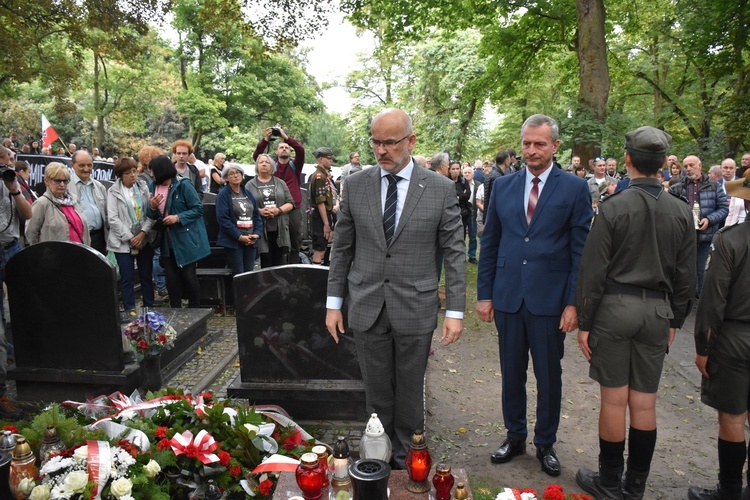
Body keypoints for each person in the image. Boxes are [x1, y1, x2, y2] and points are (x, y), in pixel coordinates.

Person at [325, 108, 466, 469]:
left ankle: (408, 461)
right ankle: (377, 457)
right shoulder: (356, 185)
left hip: (415, 305)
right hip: (367, 302)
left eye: (390, 142)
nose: (381, 150)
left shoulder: (440, 189)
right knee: (376, 390)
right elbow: (341, 249)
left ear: (411, 141)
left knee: (409, 391)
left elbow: (454, 252)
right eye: (375, 142)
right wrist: (333, 304)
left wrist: (454, 311)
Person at [574, 126, 697, 499]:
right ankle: (635, 486)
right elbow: (687, 274)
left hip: (614, 308)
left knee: (614, 399)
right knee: (644, 401)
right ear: (663, 164)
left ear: (627, 160)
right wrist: (674, 318)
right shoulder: (680, 211)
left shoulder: (613, 208)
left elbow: (593, 270)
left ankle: (609, 481)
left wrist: (584, 321)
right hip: (657, 311)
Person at [476, 114, 592, 477]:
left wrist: (573, 302)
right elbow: (490, 241)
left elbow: (580, 252)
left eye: (540, 144)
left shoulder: (574, 188)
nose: (531, 150)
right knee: (512, 373)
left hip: (550, 301)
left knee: (548, 375)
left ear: (555, 146)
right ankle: (515, 436)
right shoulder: (505, 186)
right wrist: (484, 294)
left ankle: (545, 443)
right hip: (508, 296)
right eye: (526, 143)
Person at [688, 177, 750, 500]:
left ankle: (729, 491)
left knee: (732, 416)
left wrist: (703, 347)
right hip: (737, 334)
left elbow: (713, 300)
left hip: (735, 338)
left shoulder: (730, 240)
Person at [147, 155, 210, 308]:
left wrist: (178, 218)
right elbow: (151, 216)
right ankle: (175, 309)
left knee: (188, 276)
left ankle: (195, 310)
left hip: (185, 238)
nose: (151, 175)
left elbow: (198, 209)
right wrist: (153, 208)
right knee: (171, 277)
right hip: (166, 240)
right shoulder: (152, 186)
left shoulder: (183, 185)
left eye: (153, 171)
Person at [669, 155, 728, 297]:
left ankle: (701, 301)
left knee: (702, 270)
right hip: (683, 237)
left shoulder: (715, 186)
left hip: (705, 237)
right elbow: (669, 211)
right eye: (686, 166)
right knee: (682, 270)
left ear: (700, 166)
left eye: (691, 165)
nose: (688, 169)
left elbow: (724, 209)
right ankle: (682, 299)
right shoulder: (676, 188)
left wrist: (709, 219)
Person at [106, 158, 156, 318]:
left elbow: (150, 213)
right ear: (121, 175)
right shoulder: (113, 191)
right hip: (122, 241)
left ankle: (150, 307)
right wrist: (130, 238)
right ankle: (130, 309)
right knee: (127, 277)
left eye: (134, 171)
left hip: (143, 238)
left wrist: (142, 234)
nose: (133, 175)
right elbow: (113, 218)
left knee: (146, 275)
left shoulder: (143, 188)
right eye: (128, 173)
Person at [253, 127, 305, 263]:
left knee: (295, 240)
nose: (284, 149)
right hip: (272, 209)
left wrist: (284, 136)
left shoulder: (296, 165)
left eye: (286, 147)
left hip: (293, 207)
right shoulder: (272, 167)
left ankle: (293, 268)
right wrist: (266, 139)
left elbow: (300, 150)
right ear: (276, 151)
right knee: (275, 242)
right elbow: (257, 156)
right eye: (281, 147)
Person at [246, 154, 294, 268]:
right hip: (261, 228)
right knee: (265, 259)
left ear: (272, 166)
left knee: (279, 261)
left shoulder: (280, 183)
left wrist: (278, 210)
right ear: (257, 166)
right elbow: (246, 206)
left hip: (279, 227)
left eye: (266, 162)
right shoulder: (250, 185)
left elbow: (290, 203)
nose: (263, 164)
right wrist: (259, 212)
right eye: (261, 162)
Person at [27, 162, 89, 245]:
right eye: (57, 181)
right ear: (46, 181)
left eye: (65, 181)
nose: (62, 184)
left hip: (80, 253)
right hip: (54, 255)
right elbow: (31, 234)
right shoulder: (41, 203)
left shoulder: (73, 200)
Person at [216, 164, 262, 275]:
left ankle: (248, 293)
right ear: (226, 178)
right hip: (234, 241)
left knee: (249, 274)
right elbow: (223, 219)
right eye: (231, 173)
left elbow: (256, 214)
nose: (236, 176)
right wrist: (240, 237)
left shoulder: (247, 193)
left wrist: (257, 234)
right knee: (239, 274)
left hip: (250, 240)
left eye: (238, 173)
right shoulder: (223, 195)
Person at [137, 145, 167, 298]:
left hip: (162, 220)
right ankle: (161, 285)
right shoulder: (143, 178)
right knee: (156, 253)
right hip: (150, 220)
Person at [67, 151, 108, 255]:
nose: (86, 169)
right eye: (81, 165)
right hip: (77, 239)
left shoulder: (99, 186)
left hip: (99, 239)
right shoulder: (65, 187)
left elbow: (107, 213)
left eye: (89, 165)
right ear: (72, 165)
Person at [309, 147, 336, 265]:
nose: (331, 161)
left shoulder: (324, 175)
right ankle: (315, 277)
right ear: (320, 159)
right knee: (320, 248)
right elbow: (320, 202)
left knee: (325, 246)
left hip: (326, 214)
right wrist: (326, 224)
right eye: (328, 158)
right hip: (321, 215)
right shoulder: (319, 176)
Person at [463, 165, 479, 264]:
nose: (467, 174)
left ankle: (472, 256)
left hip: (473, 214)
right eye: (465, 172)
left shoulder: (478, 185)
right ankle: (461, 256)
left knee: (473, 237)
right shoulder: (459, 184)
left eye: (469, 172)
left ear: (473, 174)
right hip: (462, 214)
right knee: (461, 237)